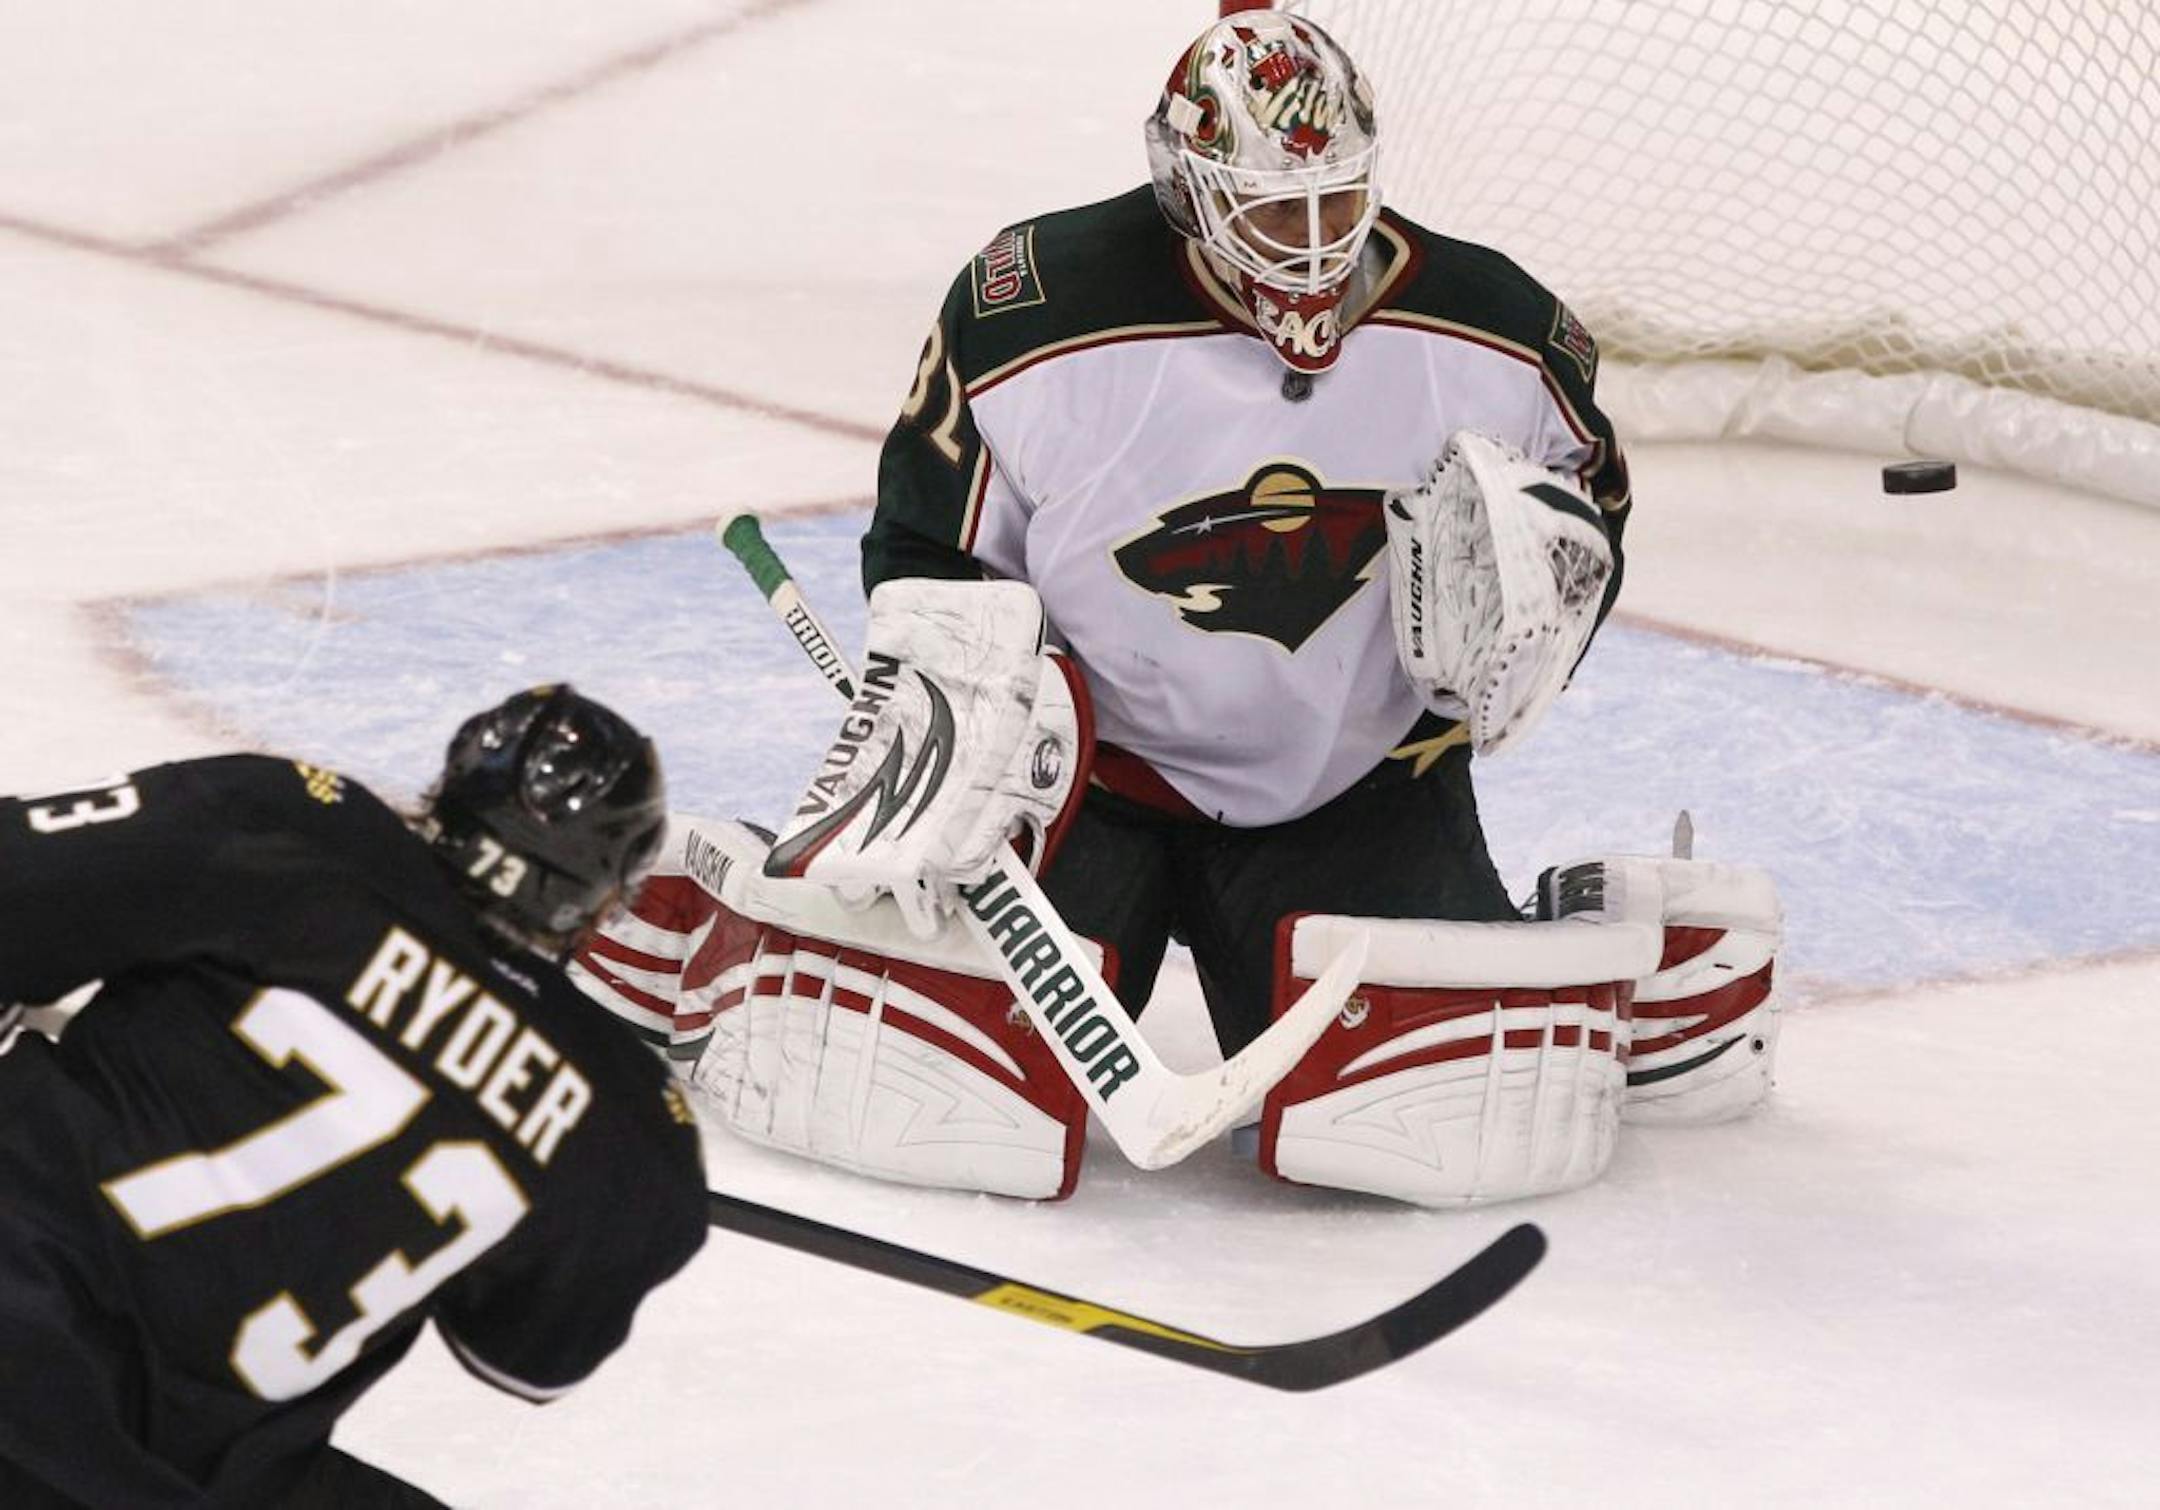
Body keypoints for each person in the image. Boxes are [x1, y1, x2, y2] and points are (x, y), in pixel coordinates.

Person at [580, 14, 1782, 1210]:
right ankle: (715, 894)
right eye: (1271, 210)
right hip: (1083, 790)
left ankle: (1608, 932)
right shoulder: (1033, 314)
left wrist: (1546, 586)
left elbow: (1593, 509)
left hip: (1358, 784)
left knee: (1442, 1120)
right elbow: (924, 546)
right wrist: (960, 729)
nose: (1312, 247)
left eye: (1336, 201)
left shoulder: (1500, 330)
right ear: (1189, 189)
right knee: (914, 1084)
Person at [0, 685, 708, 1508]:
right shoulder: (624, 1126)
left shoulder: (285, 827)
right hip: (164, 1467)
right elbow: (527, 1357)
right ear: (606, 899)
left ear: (449, 793)